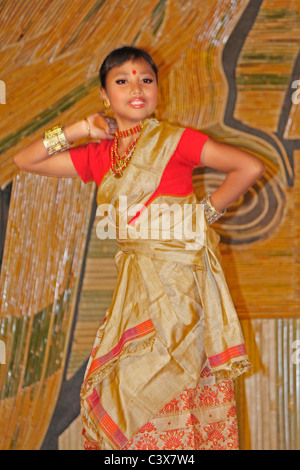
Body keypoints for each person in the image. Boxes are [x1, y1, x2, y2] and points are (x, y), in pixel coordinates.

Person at [14, 46, 265, 450]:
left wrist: (201, 217)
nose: (137, 87)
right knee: (124, 390)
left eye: (146, 79)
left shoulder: (177, 141)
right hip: (134, 290)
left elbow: (248, 167)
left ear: (157, 90)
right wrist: (80, 130)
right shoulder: (101, 156)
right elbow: (25, 160)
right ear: (104, 94)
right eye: (122, 80)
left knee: (174, 389)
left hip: (180, 290)